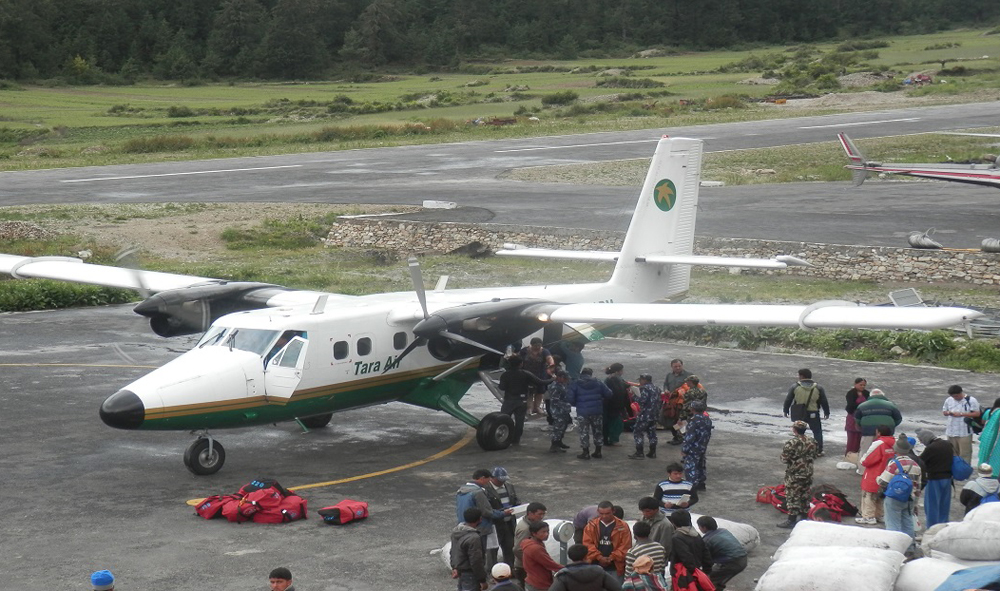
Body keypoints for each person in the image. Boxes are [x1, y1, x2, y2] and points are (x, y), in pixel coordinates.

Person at [875, 434, 922, 554]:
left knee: (893, 523)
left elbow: (882, 481)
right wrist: (915, 503)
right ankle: (910, 548)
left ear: (896, 450)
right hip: (909, 498)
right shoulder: (916, 465)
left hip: (894, 498)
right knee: (908, 523)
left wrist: (877, 479)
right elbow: (918, 487)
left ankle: (893, 548)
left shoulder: (894, 464)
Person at [457, 469, 514, 565]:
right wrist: (503, 513)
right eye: (488, 480)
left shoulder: (461, 490)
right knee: (481, 555)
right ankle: (486, 576)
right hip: (480, 528)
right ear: (482, 478)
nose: (489, 482)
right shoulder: (478, 492)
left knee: (470, 554)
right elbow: (487, 512)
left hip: (465, 525)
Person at [499, 356, 553, 446]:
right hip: (521, 401)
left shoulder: (505, 375)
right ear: (521, 364)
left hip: (508, 400)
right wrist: (552, 379)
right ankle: (516, 441)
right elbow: (541, 382)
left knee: (503, 419)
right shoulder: (525, 374)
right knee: (519, 421)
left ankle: (504, 437)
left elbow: (502, 387)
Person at [777, 420, 819, 528]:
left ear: (794, 429)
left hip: (794, 473)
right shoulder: (813, 441)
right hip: (808, 472)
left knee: (792, 496)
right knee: (805, 495)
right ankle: (804, 518)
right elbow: (815, 455)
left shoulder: (791, 443)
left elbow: (784, 459)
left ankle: (791, 520)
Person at [567, 368, 613, 460]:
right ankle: (598, 451)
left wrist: (577, 404)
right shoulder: (598, 382)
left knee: (584, 432)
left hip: (582, 412)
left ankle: (585, 452)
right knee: (598, 431)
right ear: (591, 374)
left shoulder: (575, 383)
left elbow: (570, 398)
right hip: (597, 411)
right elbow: (609, 394)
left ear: (581, 374)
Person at [854, 388, 903, 472]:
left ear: (870, 396)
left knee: (865, 450)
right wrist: (891, 426)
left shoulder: (862, 405)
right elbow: (898, 418)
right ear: (883, 395)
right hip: (887, 431)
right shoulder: (891, 405)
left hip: (868, 430)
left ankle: (862, 470)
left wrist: (863, 426)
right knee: (887, 450)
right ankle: (886, 470)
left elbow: (857, 419)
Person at [783, 368, 830, 456]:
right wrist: (827, 412)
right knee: (817, 431)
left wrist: (786, 410)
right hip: (813, 413)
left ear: (801, 376)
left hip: (799, 412)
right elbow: (824, 401)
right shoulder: (818, 387)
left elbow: (788, 399)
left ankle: (798, 448)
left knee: (799, 431)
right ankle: (818, 450)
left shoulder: (795, 387)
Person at [583, 500, 632, 580]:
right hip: (594, 565)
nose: (604, 516)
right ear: (598, 512)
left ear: (613, 511)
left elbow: (625, 546)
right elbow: (587, 544)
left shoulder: (623, 526)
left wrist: (611, 558)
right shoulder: (591, 526)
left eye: (607, 513)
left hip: (615, 567)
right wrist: (599, 557)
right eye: (601, 514)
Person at [858, 424, 896, 525]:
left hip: (874, 474)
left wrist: (862, 460)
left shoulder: (879, 443)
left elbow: (867, 460)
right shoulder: (894, 444)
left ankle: (868, 516)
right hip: (887, 475)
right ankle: (880, 515)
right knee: (881, 496)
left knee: (869, 495)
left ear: (878, 433)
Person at [697, 515, 748, 591]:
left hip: (732, 562)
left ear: (704, 527)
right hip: (743, 559)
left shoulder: (707, 540)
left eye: (699, 527)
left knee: (708, 580)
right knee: (719, 578)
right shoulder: (723, 531)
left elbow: (706, 560)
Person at [917, 427, 955, 528]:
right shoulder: (947, 444)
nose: (921, 442)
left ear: (925, 438)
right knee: (944, 507)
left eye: (921, 439)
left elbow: (920, 462)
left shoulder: (931, 448)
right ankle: (943, 528)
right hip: (947, 479)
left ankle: (932, 530)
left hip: (934, 480)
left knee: (932, 507)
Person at [549, 544, 623, 591]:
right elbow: (617, 588)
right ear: (586, 556)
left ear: (571, 557)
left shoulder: (564, 575)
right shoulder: (599, 572)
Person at [486, 467, 521, 567]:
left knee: (509, 547)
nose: (502, 482)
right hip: (495, 525)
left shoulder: (509, 486)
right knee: (492, 550)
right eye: (499, 480)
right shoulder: (486, 489)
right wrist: (502, 513)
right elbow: (487, 509)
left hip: (509, 523)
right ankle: (492, 571)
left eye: (504, 479)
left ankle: (509, 568)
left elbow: (515, 499)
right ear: (492, 478)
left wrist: (518, 505)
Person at [667, 511, 713, 583]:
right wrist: (706, 571)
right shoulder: (696, 534)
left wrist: (693, 572)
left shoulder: (677, 537)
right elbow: (705, 553)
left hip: (684, 574)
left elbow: (686, 556)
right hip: (697, 570)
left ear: (673, 523)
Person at [943, 384, 980, 468]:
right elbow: (944, 411)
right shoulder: (949, 400)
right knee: (952, 453)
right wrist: (949, 413)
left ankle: (964, 470)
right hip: (951, 431)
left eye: (956, 396)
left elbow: (977, 413)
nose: (955, 398)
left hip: (964, 432)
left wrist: (961, 414)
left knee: (965, 453)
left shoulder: (971, 400)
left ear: (960, 393)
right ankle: (955, 470)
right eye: (953, 396)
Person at [453, 507, 490, 591]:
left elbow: (453, 551)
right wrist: (482, 579)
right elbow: (476, 561)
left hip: (460, 572)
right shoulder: (474, 538)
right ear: (479, 519)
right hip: (470, 574)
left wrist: (454, 567)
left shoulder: (456, 532)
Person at [521, 521, 564, 591]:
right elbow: (550, 564)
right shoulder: (535, 548)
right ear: (534, 533)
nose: (547, 534)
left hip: (532, 580)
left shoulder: (531, 543)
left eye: (548, 531)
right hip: (539, 584)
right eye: (543, 532)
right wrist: (568, 569)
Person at [682, 399, 713, 491]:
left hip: (693, 448)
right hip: (702, 446)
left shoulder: (694, 421)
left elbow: (690, 437)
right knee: (701, 465)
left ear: (693, 409)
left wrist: (684, 449)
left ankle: (692, 486)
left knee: (690, 467)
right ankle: (701, 483)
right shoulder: (707, 419)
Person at [520, 338, 555, 417]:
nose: (537, 347)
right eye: (535, 346)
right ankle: (529, 408)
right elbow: (519, 359)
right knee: (529, 392)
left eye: (539, 345)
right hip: (527, 374)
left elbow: (549, 358)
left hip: (540, 375)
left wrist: (551, 364)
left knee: (539, 392)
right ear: (531, 345)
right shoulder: (525, 351)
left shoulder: (544, 351)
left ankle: (537, 407)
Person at [514, 502, 548, 583]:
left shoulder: (530, 523)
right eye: (539, 514)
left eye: (543, 514)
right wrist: (531, 562)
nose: (541, 517)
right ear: (530, 513)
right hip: (524, 568)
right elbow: (517, 549)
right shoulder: (525, 529)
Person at [629, 373, 661, 459]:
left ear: (645, 380)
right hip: (654, 414)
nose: (639, 381)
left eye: (640, 380)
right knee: (652, 433)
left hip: (645, 414)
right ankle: (652, 452)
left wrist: (634, 396)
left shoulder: (644, 388)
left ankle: (639, 453)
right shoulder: (657, 388)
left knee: (638, 432)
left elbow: (642, 400)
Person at [603, 363, 631, 448]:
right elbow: (618, 392)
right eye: (621, 370)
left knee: (610, 423)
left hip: (610, 405)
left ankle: (607, 439)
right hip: (615, 405)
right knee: (617, 423)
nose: (622, 372)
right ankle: (613, 440)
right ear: (617, 371)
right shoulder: (614, 380)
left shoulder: (610, 379)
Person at [548, 371, 574, 452]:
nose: (566, 380)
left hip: (563, 410)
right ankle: (554, 445)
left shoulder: (562, 385)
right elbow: (555, 400)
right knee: (558, 428)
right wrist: (567, 405)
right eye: (565, 378)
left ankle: (559, 442)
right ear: (559, 377)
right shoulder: (555, 387)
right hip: (558, 410)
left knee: (563, 427)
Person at [844, 377, 870, 457]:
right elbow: (851, 405)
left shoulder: (866, 393)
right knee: (852, 437)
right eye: (860, 385)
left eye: (864, 385)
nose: (862, 387)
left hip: (863, 417)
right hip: (852, 417)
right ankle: (850, 454)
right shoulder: (851, 393)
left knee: (861, 437)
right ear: (855, 384)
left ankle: (859, 454)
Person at [978, 398, 1000, 476]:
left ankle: (982, 471)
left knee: (984, 455)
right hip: (995, 439)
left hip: (986, 437)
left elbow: (983, 421)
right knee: (995, 456)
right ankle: (994, 474)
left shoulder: (989, 411)